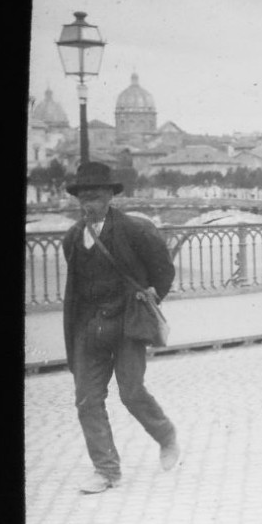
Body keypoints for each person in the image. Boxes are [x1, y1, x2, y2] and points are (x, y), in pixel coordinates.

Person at [61, 161, 180, 493]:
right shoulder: (72, 238)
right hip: (90, 328)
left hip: (128, 323)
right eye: (84, 198)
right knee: (87, 401)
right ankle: (106, 470)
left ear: (110, 197)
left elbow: (163, 270)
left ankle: (166, 435)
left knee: (131, 393)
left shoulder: (134, 230)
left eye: (96, 197)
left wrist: (156, 293)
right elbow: (76, 288)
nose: (89, 204)